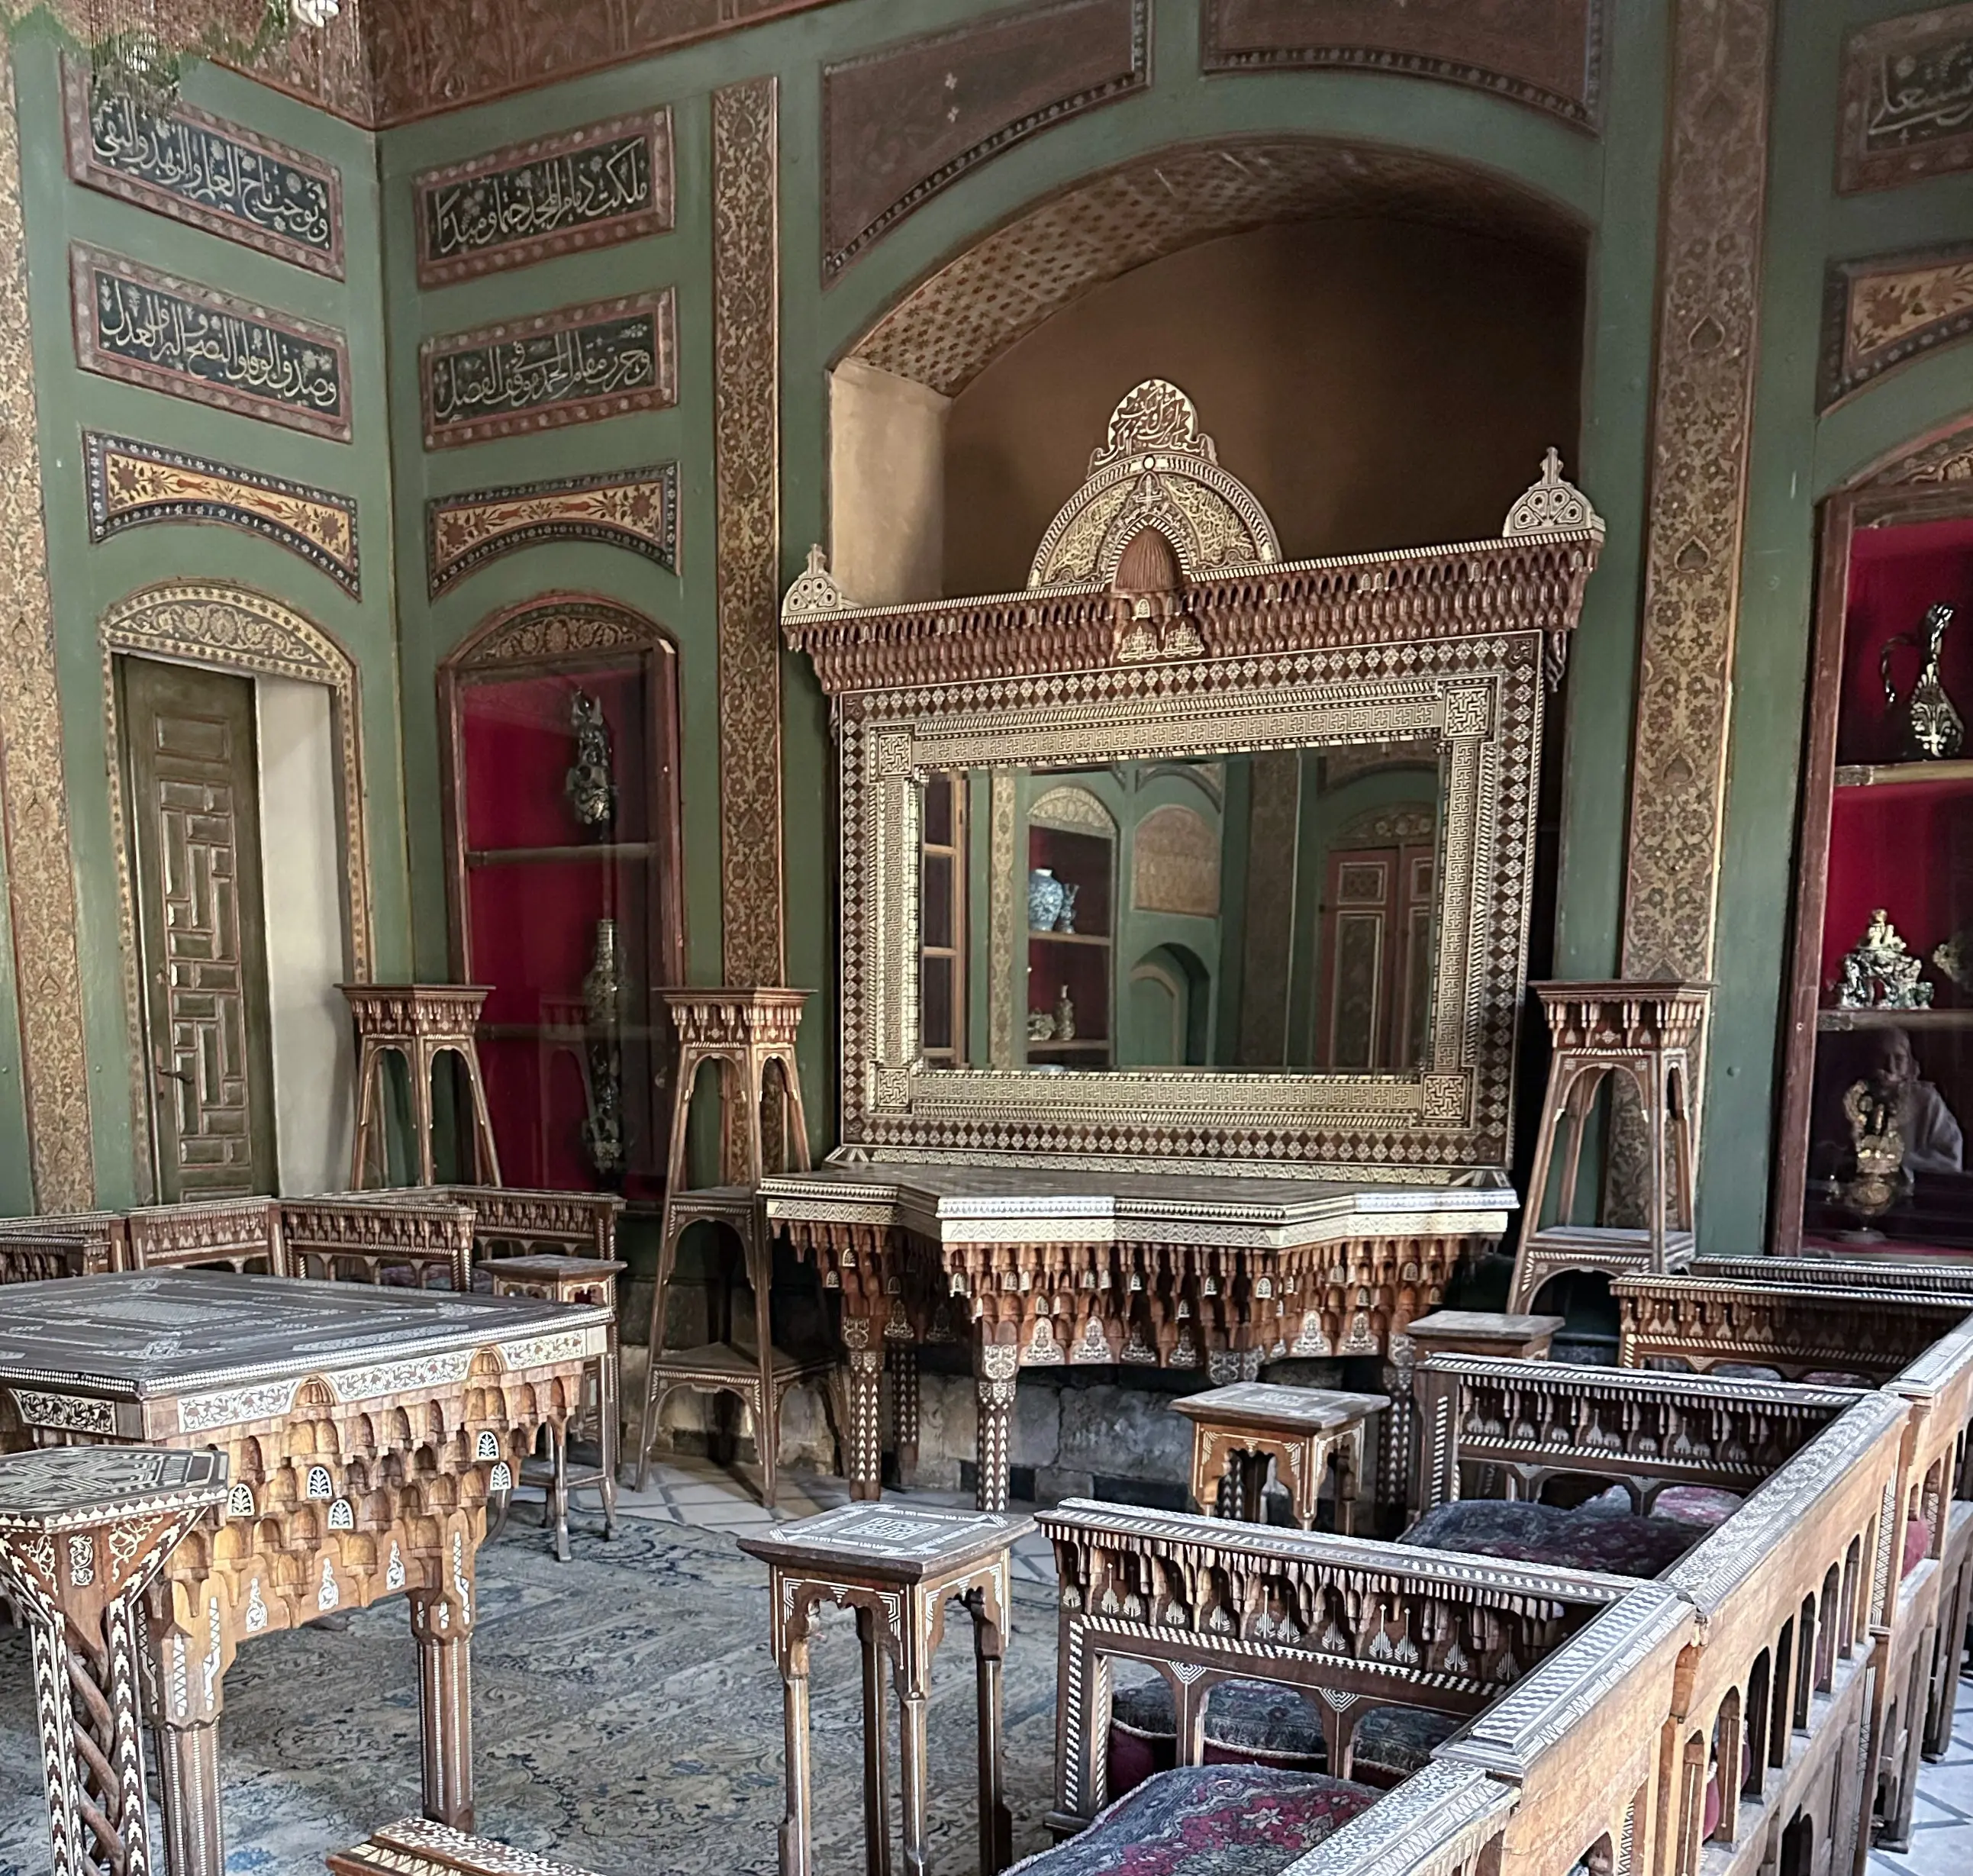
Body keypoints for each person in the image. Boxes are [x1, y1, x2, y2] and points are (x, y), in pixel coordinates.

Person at [1860, 1027, 1964, 1175]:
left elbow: (1951, 1161)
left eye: (1899, 1059)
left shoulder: (1926, 1101)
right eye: (1881, 1057)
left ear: (1909, 1064)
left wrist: (1900, 1162)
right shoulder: (1855, 1097)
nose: (1890, 1067)